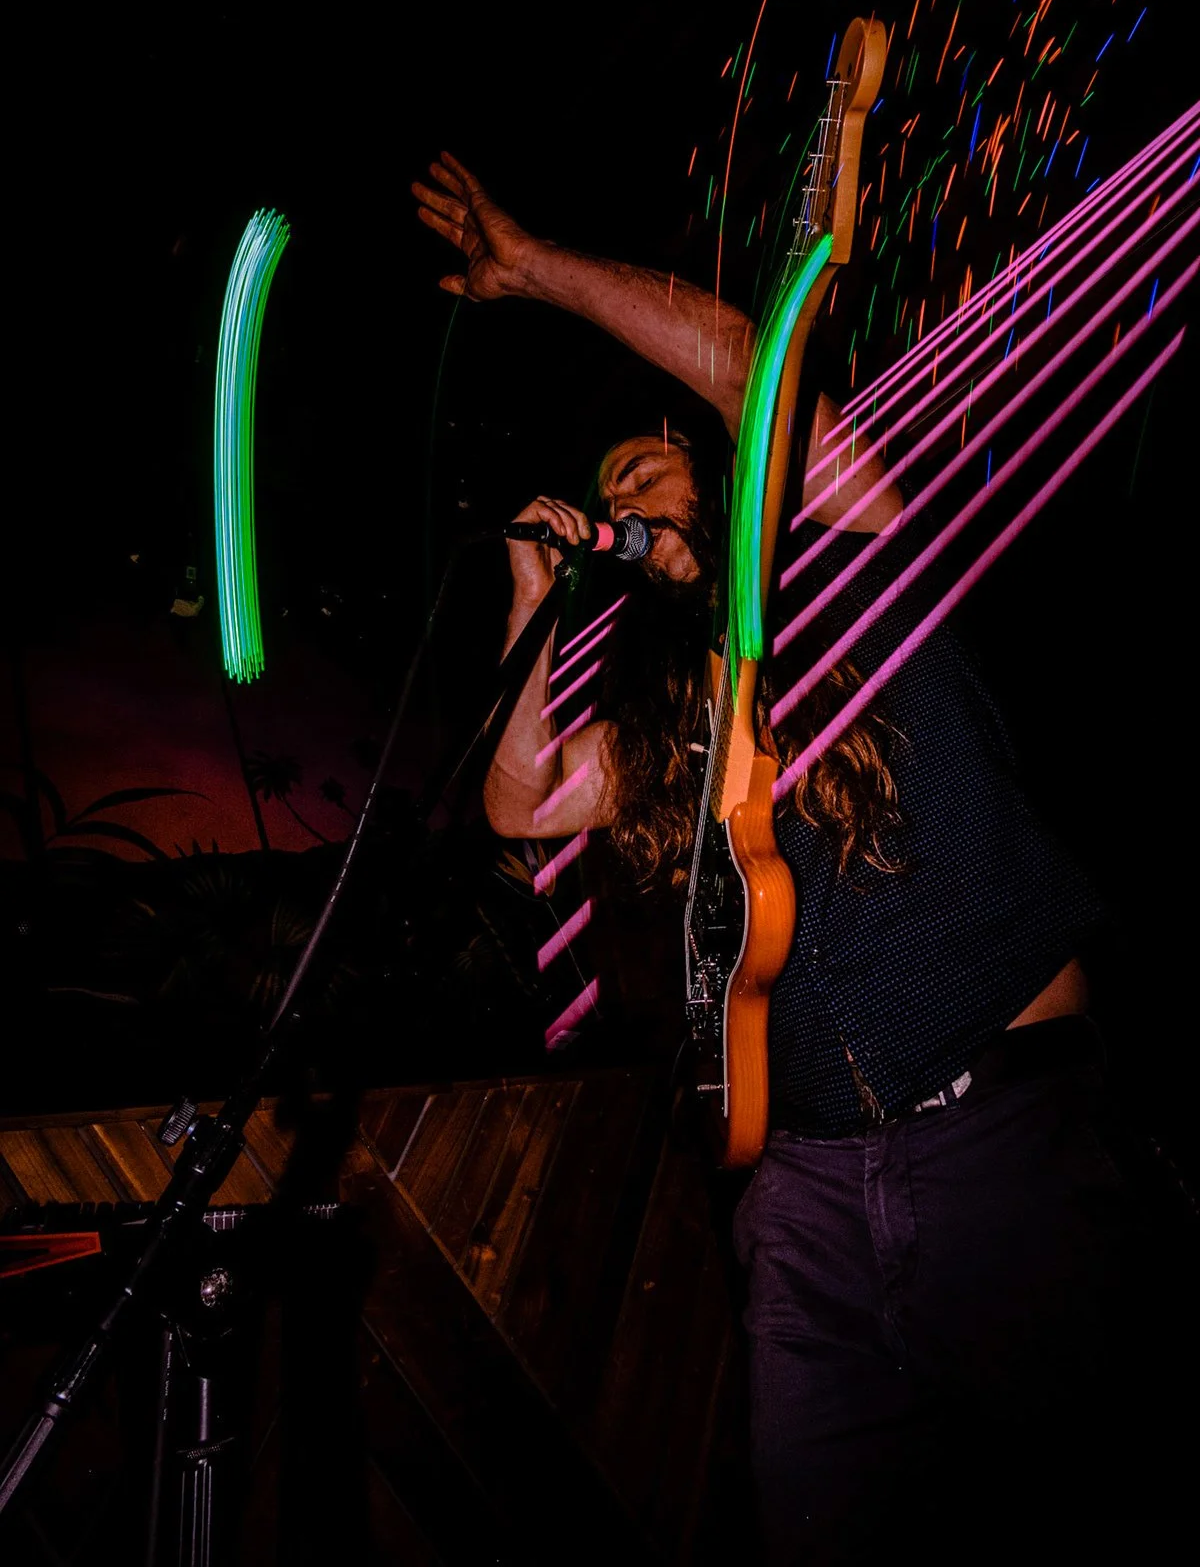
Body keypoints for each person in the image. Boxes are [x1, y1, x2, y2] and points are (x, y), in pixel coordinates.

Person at [412, 153, 1187, 1563]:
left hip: (1004, 1141)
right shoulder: (671, 719)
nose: (625, 483)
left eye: (647, 458)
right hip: (808, 1197)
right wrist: (531, 591)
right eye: (608, 481)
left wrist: (536, 271)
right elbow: (524, 805)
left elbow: (740, 364)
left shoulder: (854, 560)